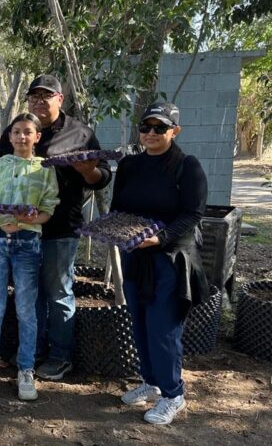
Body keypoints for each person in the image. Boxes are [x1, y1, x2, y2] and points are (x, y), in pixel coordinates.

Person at [0, 74, 112, 380]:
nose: (39, 101)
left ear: (60, 99)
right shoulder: (18, 128)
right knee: (31, 295)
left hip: (60, 228)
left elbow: (102, 177)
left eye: (46, 96)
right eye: (34, 96)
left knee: (58, 293)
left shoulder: (80, 133)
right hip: (22, 231)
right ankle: (33, 351)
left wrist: (89, 171)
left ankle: (60, 356)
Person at [111, 102, 208, 425]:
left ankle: (173, 393)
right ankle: (151, 382)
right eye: (146, 127)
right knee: (139, 323)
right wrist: (116, 231)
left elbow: (193, 214)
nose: (151, 133)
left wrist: (161, 237)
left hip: (169, 259)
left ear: (174, 131)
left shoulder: (187, 166)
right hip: (135, 256)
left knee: (162, 328)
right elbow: (118, 208)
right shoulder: (130, 165)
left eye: (160, 128)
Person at [0, 113, 59, 402]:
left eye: (28, 132)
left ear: (37, 137)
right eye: (17, 131)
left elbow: (48, 210)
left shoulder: (45, 169)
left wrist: (31, 218)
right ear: (9, 136)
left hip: (28, 244)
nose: (22, 136)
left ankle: (25, 370)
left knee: (25, 310)